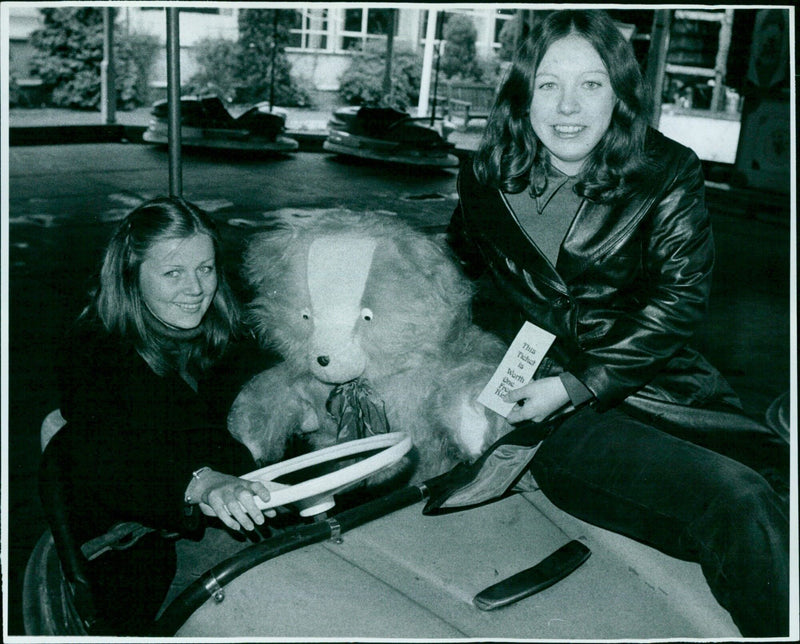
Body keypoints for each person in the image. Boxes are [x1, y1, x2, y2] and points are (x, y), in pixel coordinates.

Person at [447, 10, 789, 638]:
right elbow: (457, 267)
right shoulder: (483, 176)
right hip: (561, 419)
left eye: (592, 84)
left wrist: (580, 378)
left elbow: (680, 302)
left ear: (620, 92)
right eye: (549, 84)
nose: (568, 107)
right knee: (738, 502)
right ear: (524, 92)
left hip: (671, 389)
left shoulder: (666, 170)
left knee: (780, 488)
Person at [42, 196, 274, 634]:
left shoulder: (219, 333)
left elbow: (264, 393)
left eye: (206, 269)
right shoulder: (94, 349)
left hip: (209, 524)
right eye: (173, 273)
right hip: (133, 543)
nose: (196, 288)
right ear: (131, 277)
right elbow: (111, 454)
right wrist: (201, 482)